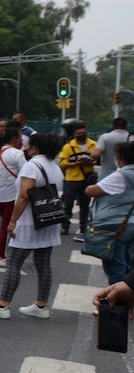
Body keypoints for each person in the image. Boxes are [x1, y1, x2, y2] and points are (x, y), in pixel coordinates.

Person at [0, 133, 65, 320]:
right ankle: (41, 305)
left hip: (29, 222)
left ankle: (3, 305)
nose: (24, 148)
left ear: (34, 148)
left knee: (13, 262)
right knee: (43, 264)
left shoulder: (32, 166)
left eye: (27, 145)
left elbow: (24, 196)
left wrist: (12, 221)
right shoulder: (54, 167)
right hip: (47, 220)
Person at [85, 142, 134, 284]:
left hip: (116, 226)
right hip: (130, 224)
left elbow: (91, 191)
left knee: (116, 268)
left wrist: (89, 185)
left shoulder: (122, 174)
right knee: (127, 265)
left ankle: (118, 302)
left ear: (119, 157)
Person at [0, 127, 26, 266]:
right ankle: (3, 256)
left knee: (6, 223)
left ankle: (6, 253)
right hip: (11, 195)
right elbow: (26, 172)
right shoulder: (17, 154)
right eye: (20, 138)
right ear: (15, 139)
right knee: (8, 225)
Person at [58, 120, 96, 241]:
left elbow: (99, 159)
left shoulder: (93, 145)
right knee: (68, 204)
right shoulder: (68, 147)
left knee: (85, 205)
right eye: (79, 133)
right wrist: (75, 164)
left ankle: (83, 227)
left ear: (87, 132)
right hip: (72, 179)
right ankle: (65, 226)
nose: (81, 135)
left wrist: (91, 162)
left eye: (83, 132)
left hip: (87, 179)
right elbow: (62, 163)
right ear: (74, 134)